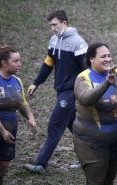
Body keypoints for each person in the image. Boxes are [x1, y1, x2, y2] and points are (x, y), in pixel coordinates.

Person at [23, 9, 88, 173]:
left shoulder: (78, 43)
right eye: (50, 25)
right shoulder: (54, 40)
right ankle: (90, 159)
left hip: (71, 92)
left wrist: (86, 91)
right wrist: (36, 82)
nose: (52, 28)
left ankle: (41, 163)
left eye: (55, 25)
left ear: (64, 23)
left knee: (54, 125)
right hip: (61, 91)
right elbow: (48, 63)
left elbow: (86, 69)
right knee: (76, 128)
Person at [73, 42, 117, 184]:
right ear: (91, 58)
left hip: (115, 137)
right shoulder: (83, 77)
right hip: (90, 140)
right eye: (103, 56)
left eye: (109, 56)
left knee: (109, 180)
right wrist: (107, 83)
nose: (108, 59)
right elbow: (85, 99)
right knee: (95, 181)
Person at [0, 45, 37, 185]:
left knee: (0, 171)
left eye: (19, 61)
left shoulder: (17, 81)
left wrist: (31, 117)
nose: (19, 64)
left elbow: (22, 103)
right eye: (15, 61)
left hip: (9, 134)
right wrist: (2, 131)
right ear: (4, 63)